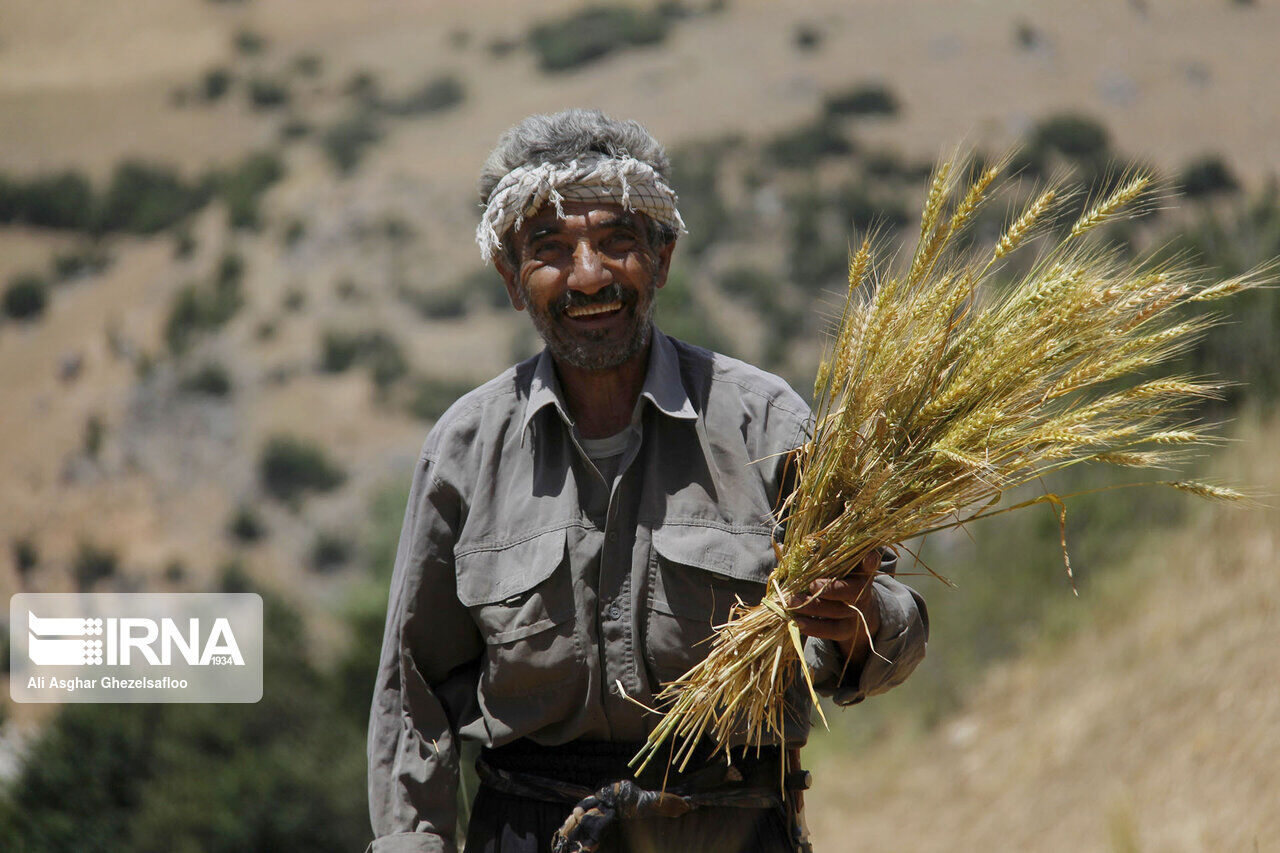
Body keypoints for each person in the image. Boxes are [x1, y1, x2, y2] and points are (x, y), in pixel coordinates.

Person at [367, 109, 929, 853]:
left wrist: (857, 618)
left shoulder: (765, 424)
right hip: (530, 831)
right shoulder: (465, 450)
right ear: (511, 278)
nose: (590, 276)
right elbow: (414, 690)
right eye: (551, 250)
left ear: (661, 260)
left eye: (617, 242)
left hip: (733, 829)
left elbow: (888, 620)